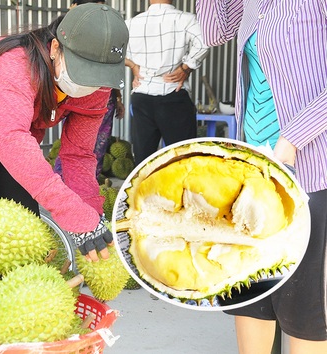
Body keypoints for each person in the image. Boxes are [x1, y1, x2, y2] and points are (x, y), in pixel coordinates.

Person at [0, 4, 128, 262]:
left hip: (10, 144)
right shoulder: (15, 65)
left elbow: (79, 154)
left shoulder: (97, 90)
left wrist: (90, 215)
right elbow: (10, 138)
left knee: (29, 236)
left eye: (98, 76)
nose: (89, 85)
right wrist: (72, 213)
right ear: (55, 48)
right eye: (83, 71)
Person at [196, 1, 327, 353]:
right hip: (253, 167)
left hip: (307, 167)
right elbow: (213, 32)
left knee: (301, 302)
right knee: (251, 291)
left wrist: (294, 138)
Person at [124, 0, 209, 165]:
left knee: (143, 161)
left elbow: (112, 52)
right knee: (183, 160)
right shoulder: (186, 19)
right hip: (173, 95)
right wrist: (186, 67)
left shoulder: (131, 23)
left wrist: (133, 66)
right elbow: (204, 43)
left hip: (142, 95)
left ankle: (143, 190)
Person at [54, 0, 126, 179]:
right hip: (72, 89)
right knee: (75, 145)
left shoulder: (104, 25)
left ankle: (86, 181)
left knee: (91, 145)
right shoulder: (71, 25)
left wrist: (117, 98)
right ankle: (64, 182)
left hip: (99, 95)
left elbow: (109, 69)